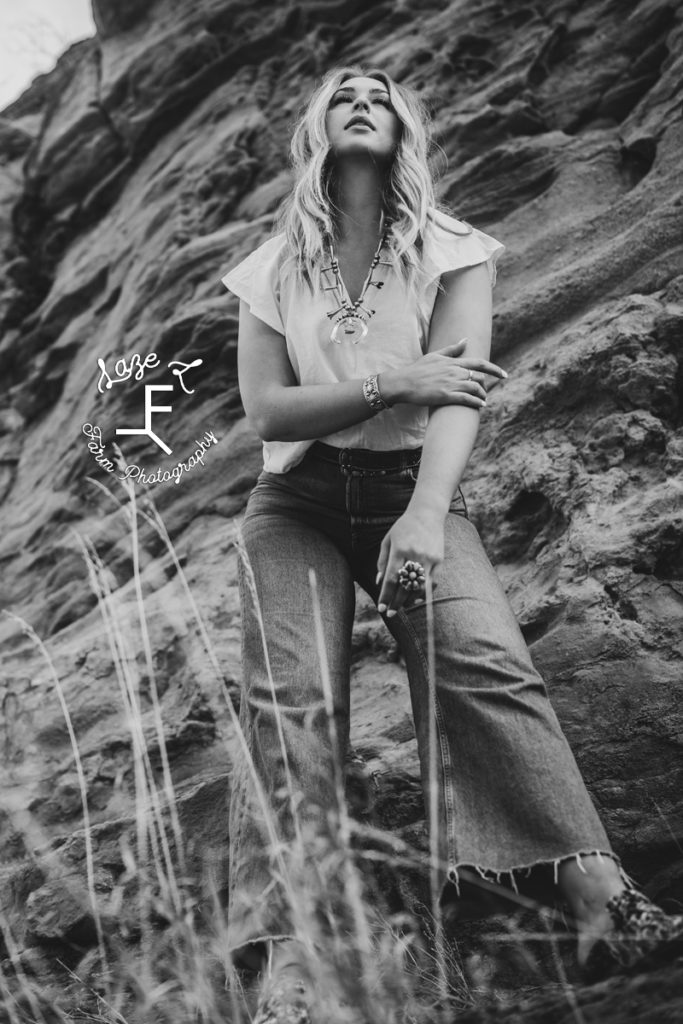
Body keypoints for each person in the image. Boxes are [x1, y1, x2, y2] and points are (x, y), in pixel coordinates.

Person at [221, 67, 683, 1023]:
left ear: (402, 127)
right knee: (292, 704)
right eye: (342, 93)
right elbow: (267, 408)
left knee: (482, 656)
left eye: (379, 94)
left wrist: (427, 513)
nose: (361, 100)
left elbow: (462, 391)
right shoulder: (270, 268)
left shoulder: (454, 247)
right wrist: (398, 382)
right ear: (316, 127)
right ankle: (293, 963)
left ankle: (599, 896)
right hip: (292, 502)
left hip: (411, 487)